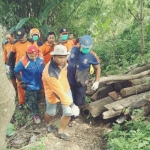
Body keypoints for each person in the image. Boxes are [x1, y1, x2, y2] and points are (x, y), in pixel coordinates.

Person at [42, 45, 79, 141]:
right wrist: (72, 105)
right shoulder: (50, 73)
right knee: (51, 112)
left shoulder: (64, 62)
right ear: (53, 57)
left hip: (65, 88)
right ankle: (47, 124)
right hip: (53, 92)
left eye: (64, 57)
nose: (63, 60)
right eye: (60, 57)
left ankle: (61, 132)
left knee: (68, 112)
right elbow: (58, 92)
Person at [67, 35, 101, 126]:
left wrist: (97, 81)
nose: (86, 49)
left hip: (81, 81)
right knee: (70, 98)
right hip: (70, 79)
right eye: (84, 47)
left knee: (78, 99)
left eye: (88, 47)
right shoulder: (74, 50)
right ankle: (73, 117)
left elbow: (98, 68)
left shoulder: (91, 55)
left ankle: (79, 110)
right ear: (80, 45)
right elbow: (66, 60)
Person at [14, 45, 44, 124]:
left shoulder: (40, 59)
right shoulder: (23, 62)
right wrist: (21, 81)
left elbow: (43, 68)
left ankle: (29, 102)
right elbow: (15, 71)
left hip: (39, 84)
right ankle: (36, 114)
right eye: (31, 56)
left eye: (35, 55)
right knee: (33, 101)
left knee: (38, 98)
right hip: (29, 85)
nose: (33, 57)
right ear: (27, 54)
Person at [6, 28, 34, 108]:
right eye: (18, 37)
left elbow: (36, 53)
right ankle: (21, 102)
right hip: (19, 67)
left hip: (29, 66)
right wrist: (8, 65)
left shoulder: (31, 42)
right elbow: (11, 56)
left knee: (29, 84)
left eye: (21, 36)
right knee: (20, 85)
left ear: (25, 34)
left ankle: (30, 101)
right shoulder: (15, 43)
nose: (20, 38)